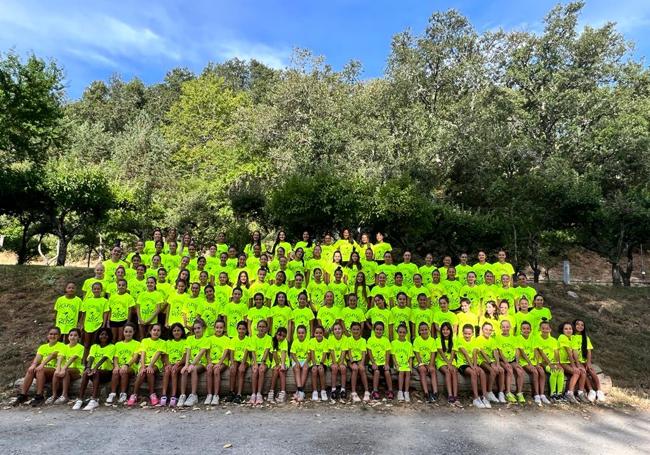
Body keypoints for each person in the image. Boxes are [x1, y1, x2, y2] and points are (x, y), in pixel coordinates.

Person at [73, 328, 115, 410]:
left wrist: (95, 368)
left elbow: (104, 358)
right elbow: (91, 357)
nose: (103, 336)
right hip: (94, 371)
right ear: (98, 336)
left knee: (96, 372)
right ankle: (80, 399)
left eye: (106, 334)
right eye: (101, 334)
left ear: (109, 336)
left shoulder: (112, 346)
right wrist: (88, 368)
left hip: (106, 373)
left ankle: (94, 400)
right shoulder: (94, 346)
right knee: (85, 373)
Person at [129, 323, 165, 407]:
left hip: (155, 363)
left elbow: (157, 354)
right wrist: (142, 366)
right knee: (142, 373)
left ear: (161, 332)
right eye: (154, 330)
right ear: (150, 331)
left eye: (158, 330)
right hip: (144, 362)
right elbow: (143, 353)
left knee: (150, 371)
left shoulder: (162, 342)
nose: (156, 332)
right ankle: (134, 394)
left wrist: (150, 365)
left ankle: (152, 394)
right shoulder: (145, 341)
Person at [456, 324, 490, 409]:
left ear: (472, 334)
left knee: (482, 372)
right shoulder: (459, 340)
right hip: (463, 364)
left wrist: (475, 365)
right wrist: (472, 367)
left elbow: (474, 353)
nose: (467, 335)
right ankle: (475, 398)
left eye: (469, 334)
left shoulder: (475, 341)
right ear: (462, 333)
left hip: (473, 363)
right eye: (465, 333)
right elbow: (466, 354)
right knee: (473, 373)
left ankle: (485, 397)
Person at [572, 319, 605, 403]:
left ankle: (599, 390)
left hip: (584, 360)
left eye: (582, 325)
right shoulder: (571, 337)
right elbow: (573, 351)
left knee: (591, 369)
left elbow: (589, 351)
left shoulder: (585, 338)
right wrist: (578, 363)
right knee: (583, 371)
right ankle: (591, 390)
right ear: (574, 326)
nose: (580, 326)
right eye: (578, 324)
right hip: (575, 361)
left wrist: (589, 362)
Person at [517, 321, 550, 406]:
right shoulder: (519, 338)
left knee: (541, 371)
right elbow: (523, 353)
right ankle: (536, 395)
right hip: (524, 361)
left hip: (534, 361)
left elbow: (536, 351)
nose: (526, 330)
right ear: (521, 329)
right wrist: (530, 364)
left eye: (528, 328)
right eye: (524, 328)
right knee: (535, 372)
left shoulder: (533, 338)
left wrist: (538, 363)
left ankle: (542, 394)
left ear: (531, 330)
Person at [107, 323, 140, 405]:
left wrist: (127, 365)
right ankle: (113, 393)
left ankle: (123, 393)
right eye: (126, 331)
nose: (128, 333)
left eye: (130, 332)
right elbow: (115, 358)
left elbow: (135, 357)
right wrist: (116, 366)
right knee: (116, 371)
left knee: (123, 371)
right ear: (123, 332)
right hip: (120, 366)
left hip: (131, 367)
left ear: (133, 332)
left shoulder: (137, 344)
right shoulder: (118, 344)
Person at [178, 318, 209, 407]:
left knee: (194, 369)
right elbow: (188, 352)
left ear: (203, 328)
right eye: (195, 329)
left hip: (201, 363)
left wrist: (192, 365)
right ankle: (183, 395)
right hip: (191, 363)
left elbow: (201, 354)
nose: (197, 330)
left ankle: (193, 395)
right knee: (184, 371)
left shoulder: (206, 340)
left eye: (199, 328)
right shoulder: (190, 339)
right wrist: (186, 365)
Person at [494, 320, 524, 404]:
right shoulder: (498, 338)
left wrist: (517, 362)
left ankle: (519, 393)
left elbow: (517, 350)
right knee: (509, 369)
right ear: (500, 328)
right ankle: (508, 392)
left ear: (510, 327)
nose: (505, 328)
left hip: (512, 359)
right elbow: (499, 351)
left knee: (520, 371)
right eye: (503, 327)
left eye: (507, 327)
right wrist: (505, 362)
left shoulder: (514, 338)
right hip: (502, 359)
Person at [557, 321, 587, 403]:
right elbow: (568, 352)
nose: (568, 330)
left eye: (570, 328)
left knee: (583, 372)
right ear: (562, 330)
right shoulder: (562, 337)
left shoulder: (573, 338)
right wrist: (574, 366)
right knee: (576, 372)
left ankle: (580, 393)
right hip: (561, 362)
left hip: (570, 361)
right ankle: (569, 393)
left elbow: (574, 352)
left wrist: (578, 365)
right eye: (566, 329)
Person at [535, 320, 565, 402]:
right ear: (540, 329)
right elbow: (541, 353)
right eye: (543, 328)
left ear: (550, 330)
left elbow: (556, 353)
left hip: (553, 362)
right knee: (554, 371)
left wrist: (557, 363)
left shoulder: (553, 340)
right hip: (543, 362)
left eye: (547, 328)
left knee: (560, 371)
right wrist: (550, 364)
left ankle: (559, 394)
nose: (545, 330)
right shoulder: (537, 339)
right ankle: (552, 394)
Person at [474, 322, 503, 404]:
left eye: (490, 330)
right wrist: (491, 364)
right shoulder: (478, 339)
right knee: (493, 370)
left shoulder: (492, 340)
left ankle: (501, 393)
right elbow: (482, 353)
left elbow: (495, 352)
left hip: (490, 360)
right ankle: (488, 392)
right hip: (481, 360)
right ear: (482, 330)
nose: (488, 331)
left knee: (501, 370)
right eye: (486, 329)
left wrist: (497, 364)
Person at [205, 320, 230, 405]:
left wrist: (219, 363)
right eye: (217, 327)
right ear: (214, 328)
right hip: (212, 362)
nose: (219, 329)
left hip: (222, 362)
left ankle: (216, 395)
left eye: (221, 328)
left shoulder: (226, 339)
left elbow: (225, 353)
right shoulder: (210, 339)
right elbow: (207, 353)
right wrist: (209, 363)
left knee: (216, 371)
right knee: (209, 370)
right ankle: (209, 394)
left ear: (224, 328)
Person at [366, 321, 393, 400]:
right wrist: (373, 363)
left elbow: (387, 353)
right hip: (373, 364)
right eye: (377, 329)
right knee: (377, 371)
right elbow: (369, 352)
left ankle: (390, 390)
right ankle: (375, 391)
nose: (378, 331)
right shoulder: (371, 340)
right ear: (374, 330)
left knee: (387, 372)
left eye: (380, 330)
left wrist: (387, 363)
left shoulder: (386, 340)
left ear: (383, 331)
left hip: (383, 363)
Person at [161, 323, 186, 407]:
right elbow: (165, 356)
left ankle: (173, 395)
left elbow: (185, 357)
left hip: (180, 364)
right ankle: (164, 394)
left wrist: (178, 364)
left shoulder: (185, 342)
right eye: (174, 331)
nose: (176, 332)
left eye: (178, 330)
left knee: (174, 371)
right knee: (167, 370)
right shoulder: (168, 342)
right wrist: (168, 364)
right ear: (171, 332)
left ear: (182, 331)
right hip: (170, 364)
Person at [413, 322, 439, 403]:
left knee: (432, 370)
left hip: (428, 362)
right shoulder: (417, 340)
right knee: (422, 370)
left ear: (429, 330)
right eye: (422, 330)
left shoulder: (432, 340)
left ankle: (435, 392)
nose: (424, 331)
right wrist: (421, 364)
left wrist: (430, 365)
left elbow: (433, 353)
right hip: (419, 362)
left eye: (425, 329)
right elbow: (417, 353)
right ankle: (426, 393)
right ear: (419, 331)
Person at [436, 322, 461, 406]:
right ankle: (450, 395)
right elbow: (441, 354)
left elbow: (453, 352)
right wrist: (448, 364)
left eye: (447, 329)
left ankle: (455, 395)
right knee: (447, 372)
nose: (445, 331)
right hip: (441, 361)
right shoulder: (438, 339)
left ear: (450, 330)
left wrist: (450, 363)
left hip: (451, 360)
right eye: (443, 329)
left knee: (454, 372)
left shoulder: (454, 339)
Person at [347, 322, 370, 402]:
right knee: (355, 369)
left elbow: (364, 353)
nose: (356, 331)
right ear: (351, 330)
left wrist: (362, 363)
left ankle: (367, 392)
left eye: (357, 329)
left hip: (360, 360)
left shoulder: (363, 340)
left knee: (362, 369)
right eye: (354, 329)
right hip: (351, 360)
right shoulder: (349, 339)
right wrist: (353, 362)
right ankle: (353, 392)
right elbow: (349, 353)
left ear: (360, 330)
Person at [228, 321, 250, 404]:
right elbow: (232, 352)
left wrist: (243, 364)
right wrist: (232, 363)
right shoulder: (234, 339)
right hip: (236, 360)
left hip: (245, 360)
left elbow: (246, 352)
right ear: (237, 329)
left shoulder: (248, 339)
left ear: (246, 330)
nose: (241, 331)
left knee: (241, 370)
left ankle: (239, 394)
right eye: (239, 329)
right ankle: (231, 392)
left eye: (243, 329)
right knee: (232, 370)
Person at [391, 323, 413, 402]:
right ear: (397, 332)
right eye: (400, 332)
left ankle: (406, 392)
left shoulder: (409, 344)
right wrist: (396, 365)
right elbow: (393, 355)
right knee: (401, 371)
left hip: (406, 364)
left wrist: (410, 366)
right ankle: (400, 392)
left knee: (407, 372)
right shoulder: (394, 343)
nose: (402, 334)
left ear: (406, 333)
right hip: (398, 364)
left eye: (404, 332)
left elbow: (410, 357)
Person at [308, 325, 330, 402]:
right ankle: (315, 391)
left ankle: (323, 391)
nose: (319, 334)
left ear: (323, 333)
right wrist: (314, 364)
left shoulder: (326, 341)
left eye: (320, 333)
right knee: (314, 370)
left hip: (323, 362)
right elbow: (312, 353)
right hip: (314, 362)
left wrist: (321, 364)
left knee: (321, 370)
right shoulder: (312, 341)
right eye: (317, 333)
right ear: (314, 334)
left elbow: (324, 354)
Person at [268, 327, 289, 403]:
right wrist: (277, 364)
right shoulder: (272, 341)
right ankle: (271, 391)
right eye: (280, 335)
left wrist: (282, 365)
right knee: (276, 370)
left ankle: (283, 392)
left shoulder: (285, 342)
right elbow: (274, 354)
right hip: (275, 361)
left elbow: (283, 353)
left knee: (281, 371)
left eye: (284, 336)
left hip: (285, 361)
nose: (281, 337)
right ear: (276, 334)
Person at [328, 322, 348, 400]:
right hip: (332, 360)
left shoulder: (345, 338)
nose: (337, 331)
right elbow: (332, 352)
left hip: (342, 360)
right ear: (333, 331)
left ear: (342, 330)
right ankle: (333, 389)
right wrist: (335, 363)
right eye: (335, 329)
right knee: (335, 368)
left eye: (339, 329)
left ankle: (343, 389)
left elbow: (343, 351)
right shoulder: (331, 338)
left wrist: (341, 363)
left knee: (343, 368)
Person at [290, 325, 310, 402]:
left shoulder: (308, 341)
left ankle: (299, 391)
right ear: (296, 334)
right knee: (296, 368)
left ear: (306, 333)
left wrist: (305, 362)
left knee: (305, 368)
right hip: (297, 359)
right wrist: (297, 362)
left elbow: (310, 354)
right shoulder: (295, 341)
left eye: (302, 333)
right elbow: (292, 353)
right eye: (299, 333)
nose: (301, 334)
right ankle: (301, 390)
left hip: (306, 360)